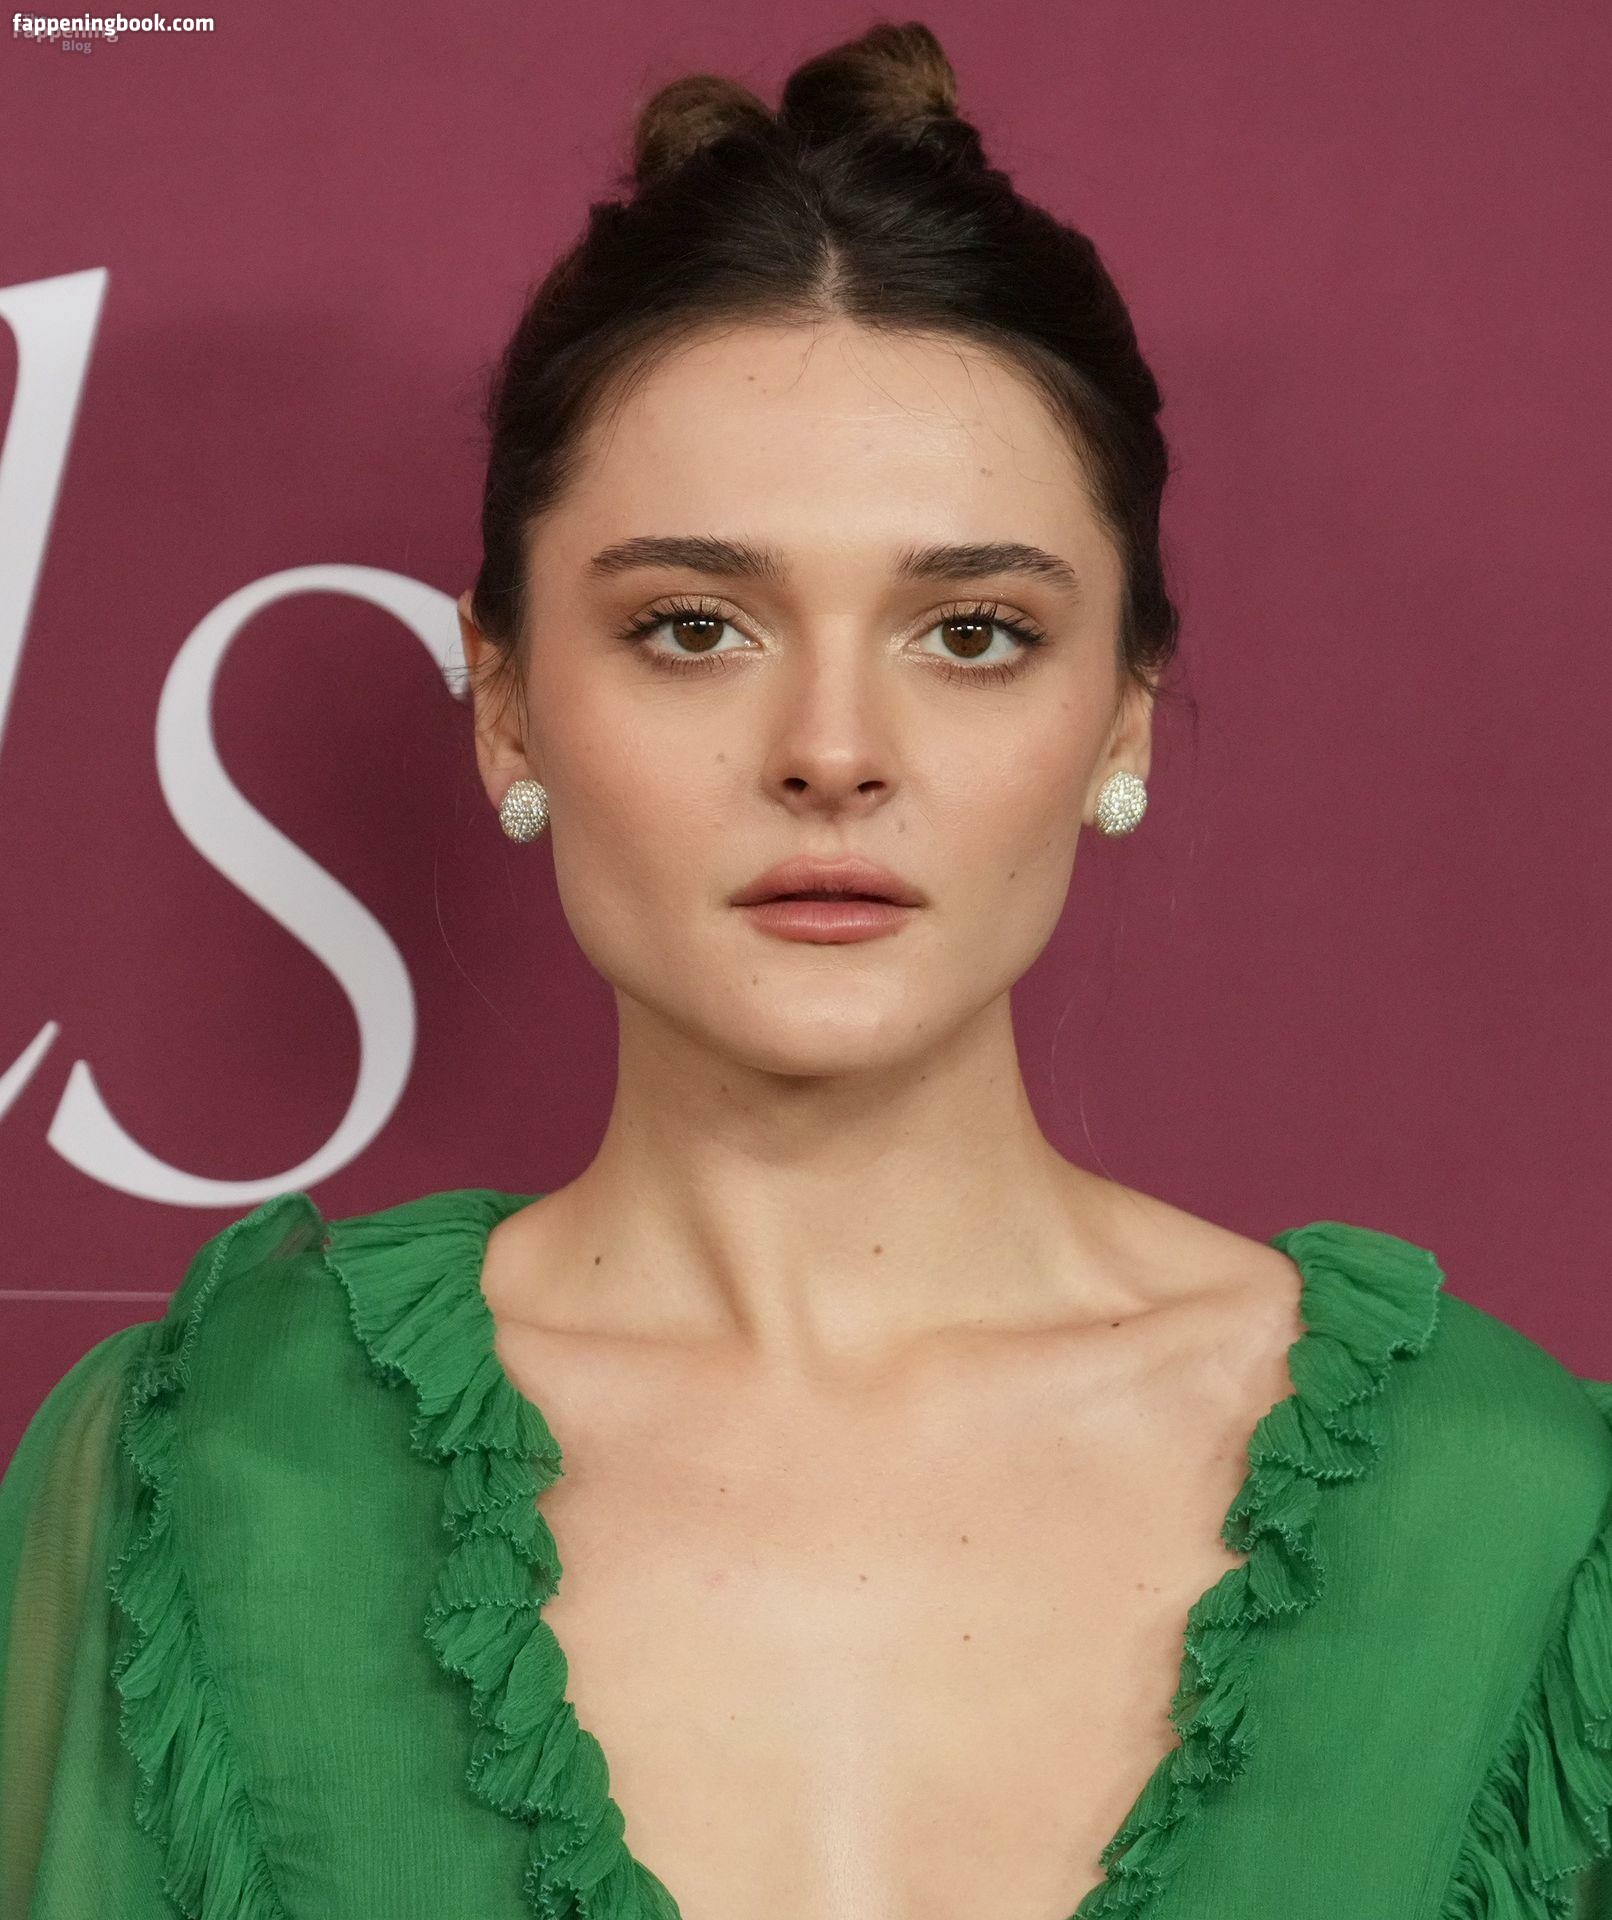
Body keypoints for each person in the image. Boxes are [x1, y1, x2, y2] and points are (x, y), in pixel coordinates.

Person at [5, 19, 1612, 1919]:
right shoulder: (205, 1472)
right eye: (695, 625)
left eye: (974, 632)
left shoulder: (1504, 1510)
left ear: (1124, 716)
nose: (833, 751)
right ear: (507, 703)